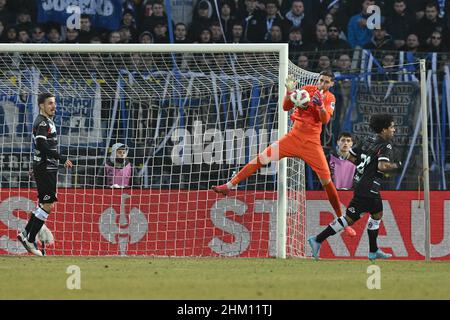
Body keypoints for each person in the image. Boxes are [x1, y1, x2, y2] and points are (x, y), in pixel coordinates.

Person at [212, 70, 356, 237]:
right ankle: (228, 186)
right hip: (293, 138)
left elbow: (324, 120)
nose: (322, 84)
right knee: (261, 158)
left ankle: (342, 221)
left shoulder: (330, 98)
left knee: (327, 182)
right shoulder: (307, 89)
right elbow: (285, 107)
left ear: (331, 84)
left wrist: (320, 106)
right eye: (321, 80)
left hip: (312, 144)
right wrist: (289, 92)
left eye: (326, 82)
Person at [308, 114, 402, 261]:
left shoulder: (367, 140)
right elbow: (383, 166)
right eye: (392, 127)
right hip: (368, 188)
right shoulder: (385, 145)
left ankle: (373, 250)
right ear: (384, 130)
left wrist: (363, 168)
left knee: (376, 214)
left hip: (364, 185)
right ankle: (318, 239)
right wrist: (397, 166)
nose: (394, 130)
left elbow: (350, 158)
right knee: (350, 219)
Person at [17, 92, 73, 256]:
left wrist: (35, 164)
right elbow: (40, 144)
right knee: (47, 205)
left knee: (45, 205)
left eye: (54, 103)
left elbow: (39, 147)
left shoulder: (46, 121)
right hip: (46, 167)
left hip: (45, 166)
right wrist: (60, 157)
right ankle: (29, 237)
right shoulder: (42, 122)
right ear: (42, 105)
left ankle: (26, 234)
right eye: (50, 103)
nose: (53, 106)